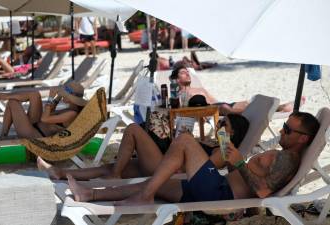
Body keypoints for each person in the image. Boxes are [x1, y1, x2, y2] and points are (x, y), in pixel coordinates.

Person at [67, 111, 319, 205]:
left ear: (303, 139)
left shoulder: (289, 160)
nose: (283, 131)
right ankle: (90, 195)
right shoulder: (282, 154)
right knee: (156, 181)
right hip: (213, 188)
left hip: (221, 196)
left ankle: (144, 196)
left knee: (185, 140)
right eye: (284, 125)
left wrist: (239, 162)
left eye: (288, 129)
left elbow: (263, 192)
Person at [37, 113, 249, 180]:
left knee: (133, 130)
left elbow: (203, 173)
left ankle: (114, 178)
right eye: (220, 121)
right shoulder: (215, 143)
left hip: (168, 170)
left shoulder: (225, 151)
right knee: (112, 166)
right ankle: (60, 173)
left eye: (224, 124)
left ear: (233, 132)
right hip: (165, 162)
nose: (219, 123)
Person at [171, 65, 305, 115]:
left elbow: (215, 101)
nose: (187, 74)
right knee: (226, 107)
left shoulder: (200, 88)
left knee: (248, 102)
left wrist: (227, 104)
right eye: (183, 73)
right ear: (177, 79)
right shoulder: (179, 95)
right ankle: (276, 109)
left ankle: (281, 107)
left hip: (219, 106)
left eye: (187, 72)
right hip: (209, 110)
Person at [0, 82, 87, 139]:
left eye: (66, 92)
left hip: (34, 134)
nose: (63, 93)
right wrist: (58, 97)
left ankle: (3, 134)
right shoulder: (71, 109)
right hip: (36, 126)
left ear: (72, 98)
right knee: (34, 94)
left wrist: (51, 97)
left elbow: (45, 118)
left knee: (13, 102)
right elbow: (50, 112)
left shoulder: (71, 114)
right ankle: (0, 96)